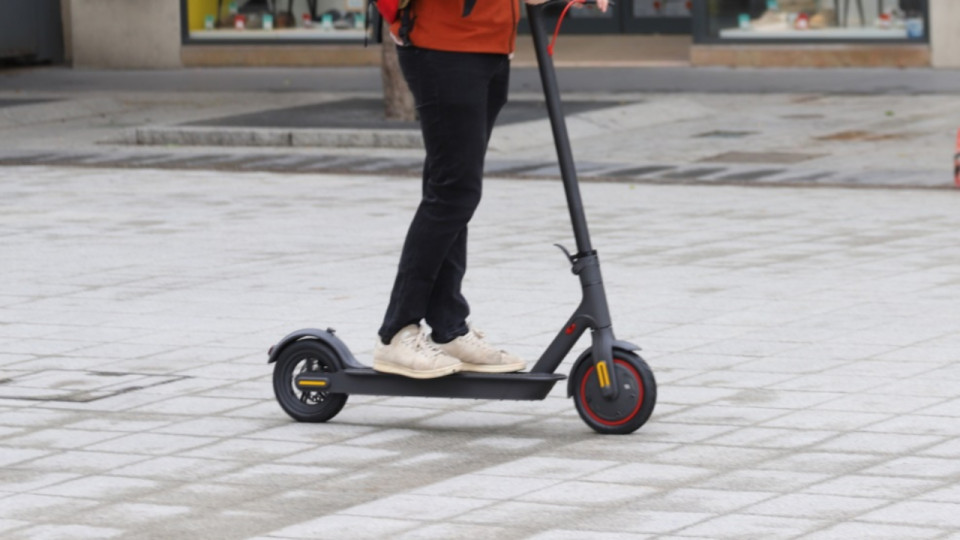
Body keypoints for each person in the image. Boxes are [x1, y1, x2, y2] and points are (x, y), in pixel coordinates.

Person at [373, 0, 608, 379]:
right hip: (443, 48)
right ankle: (396, 332)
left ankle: (449, 326)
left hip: (490, 48)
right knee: (454, 192)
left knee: (450, 190)